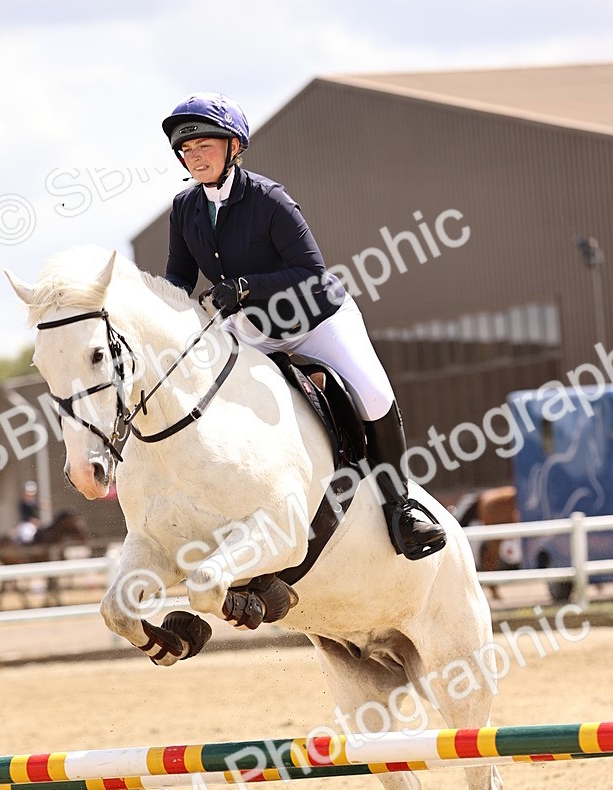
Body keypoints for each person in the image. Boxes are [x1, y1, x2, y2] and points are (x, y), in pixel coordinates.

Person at [161, 93, 446, 561]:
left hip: (316, 319)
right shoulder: (184, 208)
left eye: (204, 146)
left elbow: (311, 271)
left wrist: (245, 287)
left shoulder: (269, 199)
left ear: (234, 147)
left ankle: (400, 509)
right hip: (253, 329)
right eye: (186, 150)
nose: (194, 157)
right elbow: (178, 279)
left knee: (374, 395)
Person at [16, 480, 40, 544]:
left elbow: (34, 504)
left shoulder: (34, 502)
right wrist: (31, 520)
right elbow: (24, 515)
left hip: (35, 525)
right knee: (28, 536)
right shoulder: (22, 503)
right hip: (26, 524)